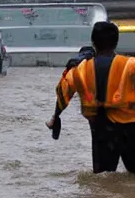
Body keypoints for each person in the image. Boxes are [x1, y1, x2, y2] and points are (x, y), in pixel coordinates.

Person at [46, 21, 135, 174]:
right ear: (116, 42)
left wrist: (55, 117)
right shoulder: (131, 65)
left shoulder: (80, 68)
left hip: (101, 129)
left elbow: (63, 93)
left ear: (93, 42)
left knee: (103, 178)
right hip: (131, 128)